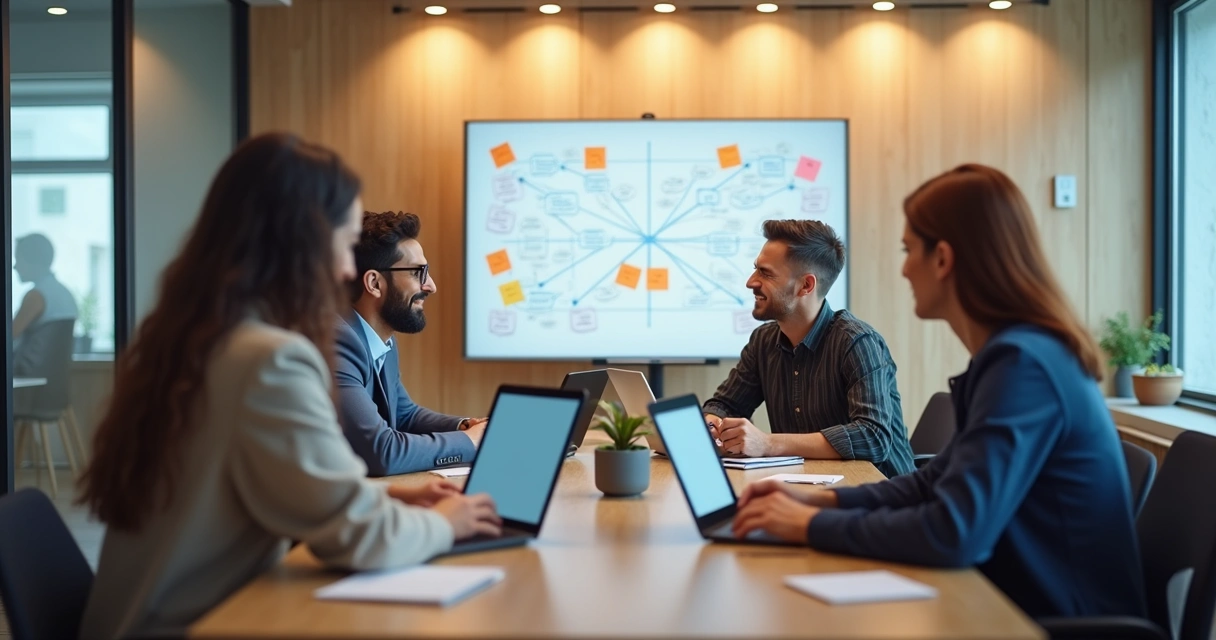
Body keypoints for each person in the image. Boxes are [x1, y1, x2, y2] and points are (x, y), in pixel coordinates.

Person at [76, 134, 502, 640]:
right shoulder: (270, 360)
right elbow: (357, 538)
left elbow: (273, 489)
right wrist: (449, 521)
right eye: (344, 244)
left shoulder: (200, 339)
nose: (348, 270)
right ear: (301, 245)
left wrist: (383, 499)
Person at [733, 164, 1147, 619]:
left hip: (1049, 620)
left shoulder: (1023, 367)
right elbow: (935, 481)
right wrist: (821, 500)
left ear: (943, 259)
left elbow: (953, 532)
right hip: (1008, 597)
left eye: (909, 250)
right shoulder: (1014, 356)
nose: (905, 268)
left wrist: (810, 525)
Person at [703, 220, 915, 478]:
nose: (751, 282)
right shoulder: (763, 341)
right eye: (755, 269)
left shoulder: (857, 342)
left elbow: (872, 438)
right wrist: (711, 424)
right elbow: (725, 404)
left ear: (806, 286)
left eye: (766, 273)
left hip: (880, 492)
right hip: (807, 486)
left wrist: (768, 444)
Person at [337, 211, 485, 476]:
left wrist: (466, 426)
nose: (431, 286)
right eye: (419, 272)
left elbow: (405, 415)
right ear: (374, 283)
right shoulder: (337, 342)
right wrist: (471, 441)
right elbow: (383, 452)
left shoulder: (382, 340)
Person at [11, 232, 77, 340]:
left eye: (18, 259)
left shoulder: (36, 296)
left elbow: (8, 336)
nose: (15, 266)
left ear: (32, 259)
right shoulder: (65, 293)